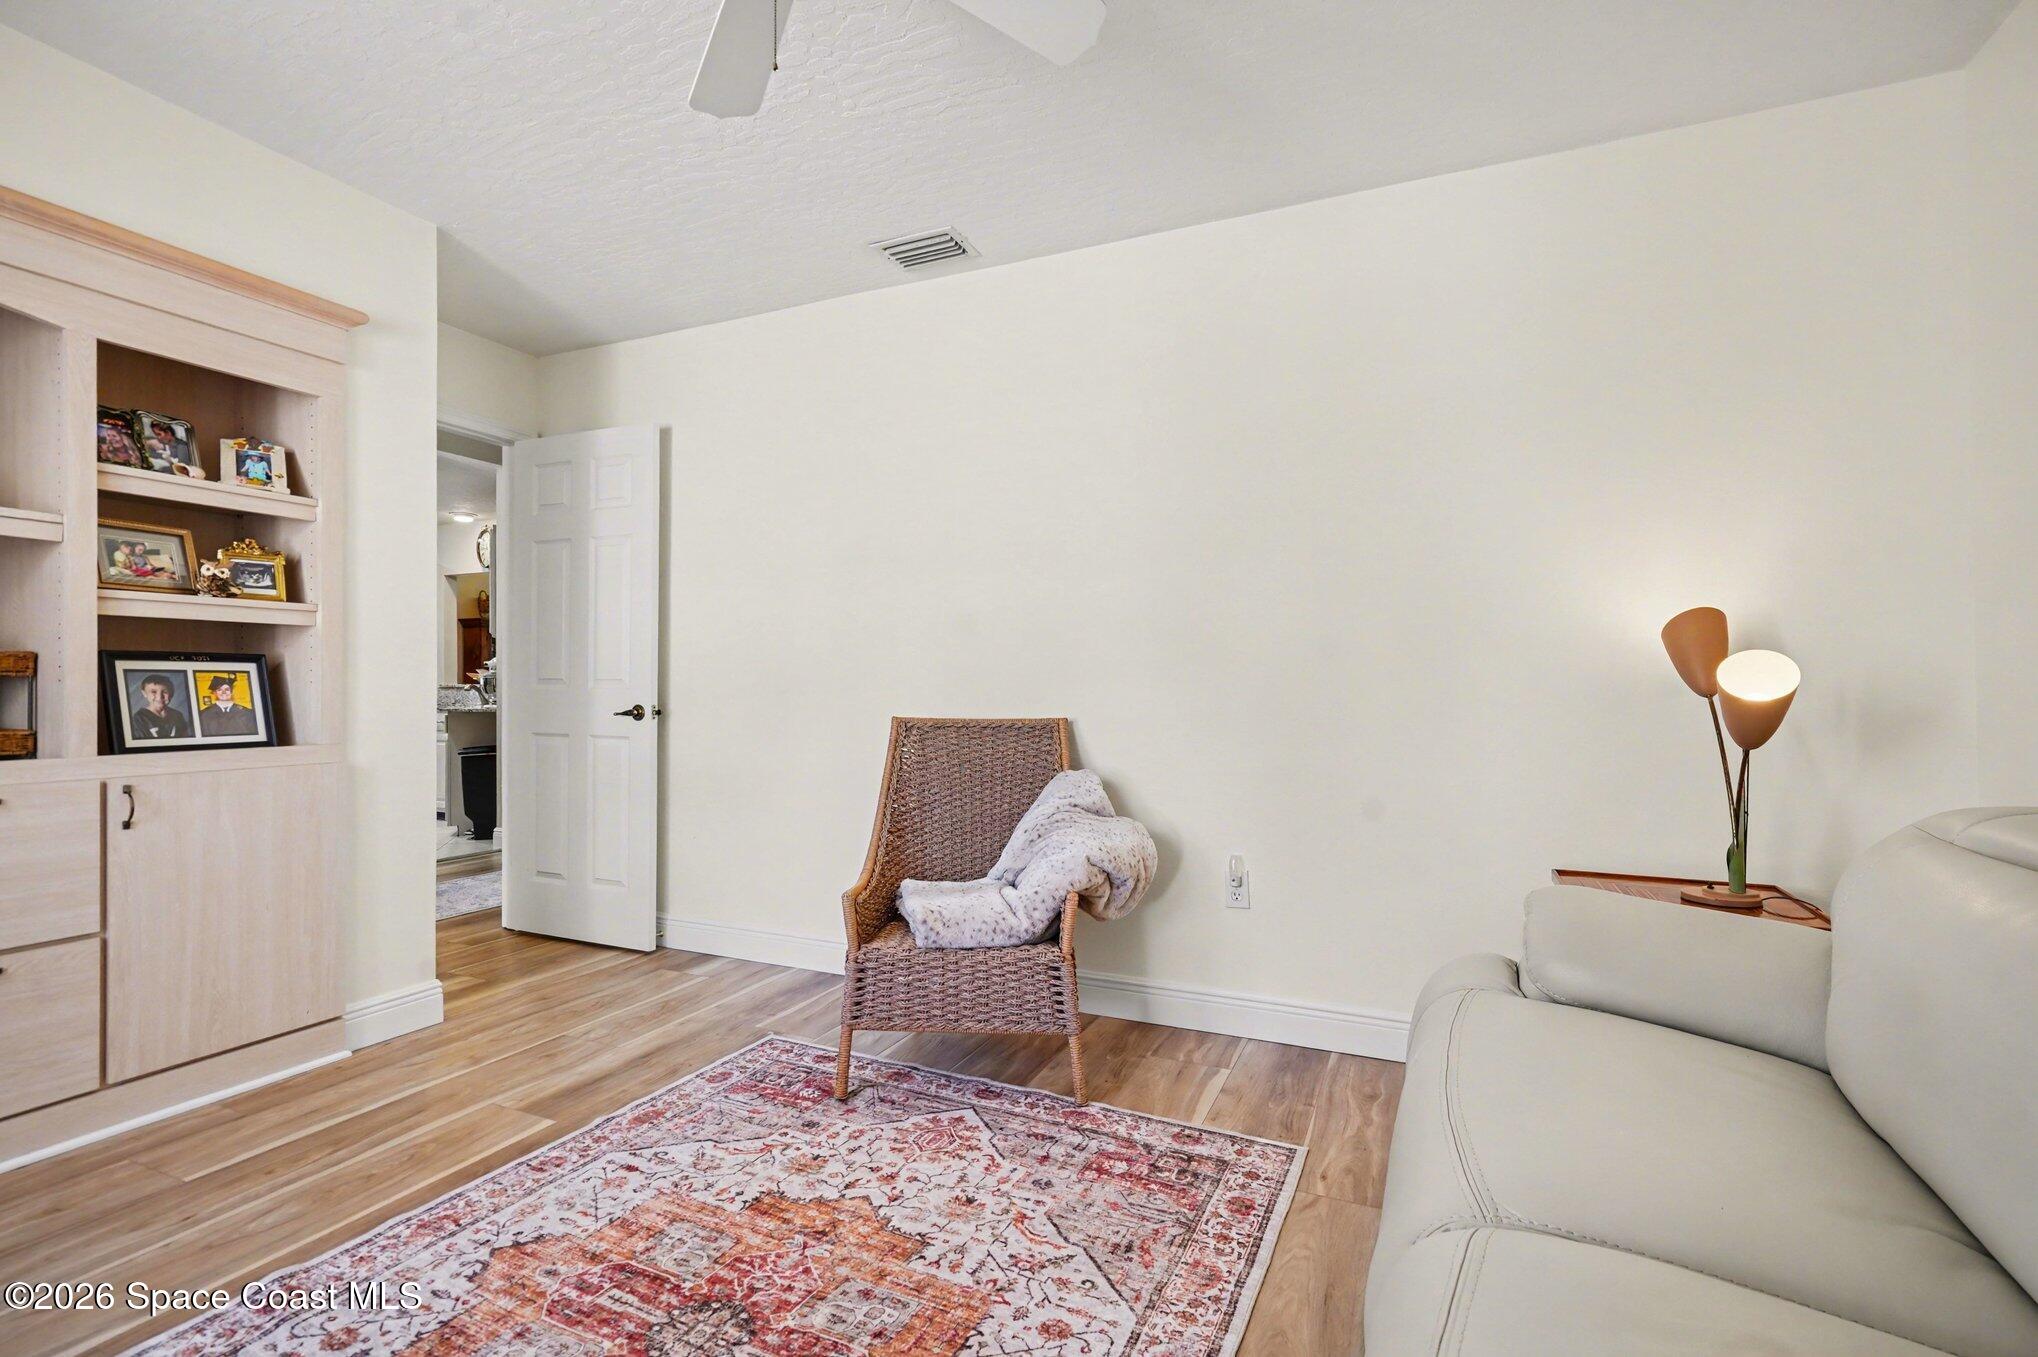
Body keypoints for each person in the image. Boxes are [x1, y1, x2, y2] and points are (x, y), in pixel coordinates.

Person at [130, 674, 192, 740]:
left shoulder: (177, 715)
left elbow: (185, 740)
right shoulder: (139, 719)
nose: (159, 697)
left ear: (171, 693)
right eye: (153, 692)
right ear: (144, 693)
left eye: (165, 692)